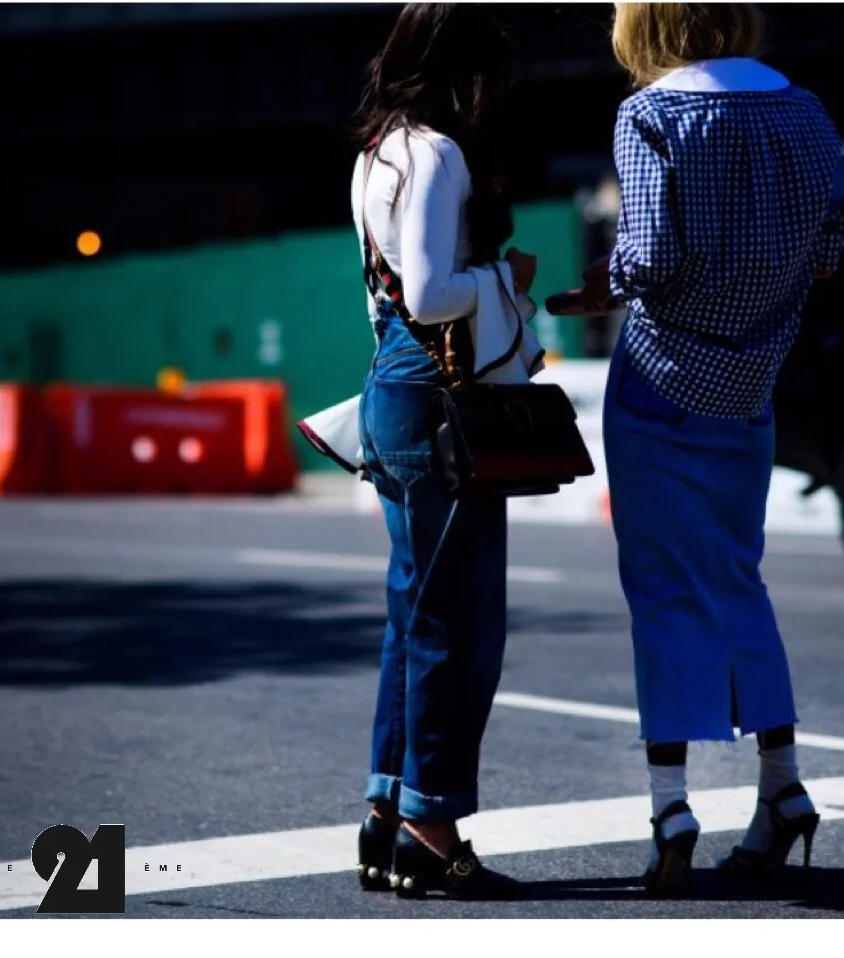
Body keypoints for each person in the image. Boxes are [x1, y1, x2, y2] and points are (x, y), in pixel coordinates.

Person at [583, 2, 844, 896]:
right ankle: (782, 785)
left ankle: (671, 805)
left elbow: (649, 255)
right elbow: (828, 249)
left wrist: (604, 287)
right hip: (752, 381)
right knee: (740, 576)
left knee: (662, 587)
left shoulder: (651, 114)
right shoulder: (806, 111)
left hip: (661, 378)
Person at [350, 3, 535, 900]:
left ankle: (387, 813)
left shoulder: (377, 151)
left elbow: (389, 297)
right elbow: (429, 292)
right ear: (464, 69)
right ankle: (431, 826)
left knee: (412, 616)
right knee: (458, 625)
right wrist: (507, 280)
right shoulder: (436, 152)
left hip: (396, 387)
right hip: (434, 398)